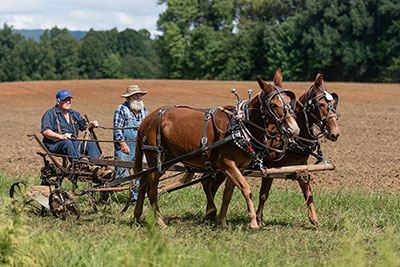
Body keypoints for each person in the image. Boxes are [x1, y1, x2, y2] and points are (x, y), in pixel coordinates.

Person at [41, 89, 112, 180]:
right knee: (67, 142)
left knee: (90, 144)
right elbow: (45, 132)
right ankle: (81, 165)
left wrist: (91, 124)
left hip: (73, 143)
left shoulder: (73, 114)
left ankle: (99, 168)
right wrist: (61, 136)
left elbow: (83, 125)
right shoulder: (50, 114)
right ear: (58, 101)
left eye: (69, 100)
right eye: (65, 100)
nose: (68, 102)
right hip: (55, 144)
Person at [113, 85, 148, 204]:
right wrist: (123, 144)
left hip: (140, 146)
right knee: (122, 174)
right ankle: (107, 191)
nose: (138, 98)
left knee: (142, 170)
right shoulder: (121, 109)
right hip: (126, 146)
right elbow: (117, 129)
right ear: (129, 98)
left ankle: (136, 198)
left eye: (140, 96)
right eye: (135, 96)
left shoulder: (143, 110)